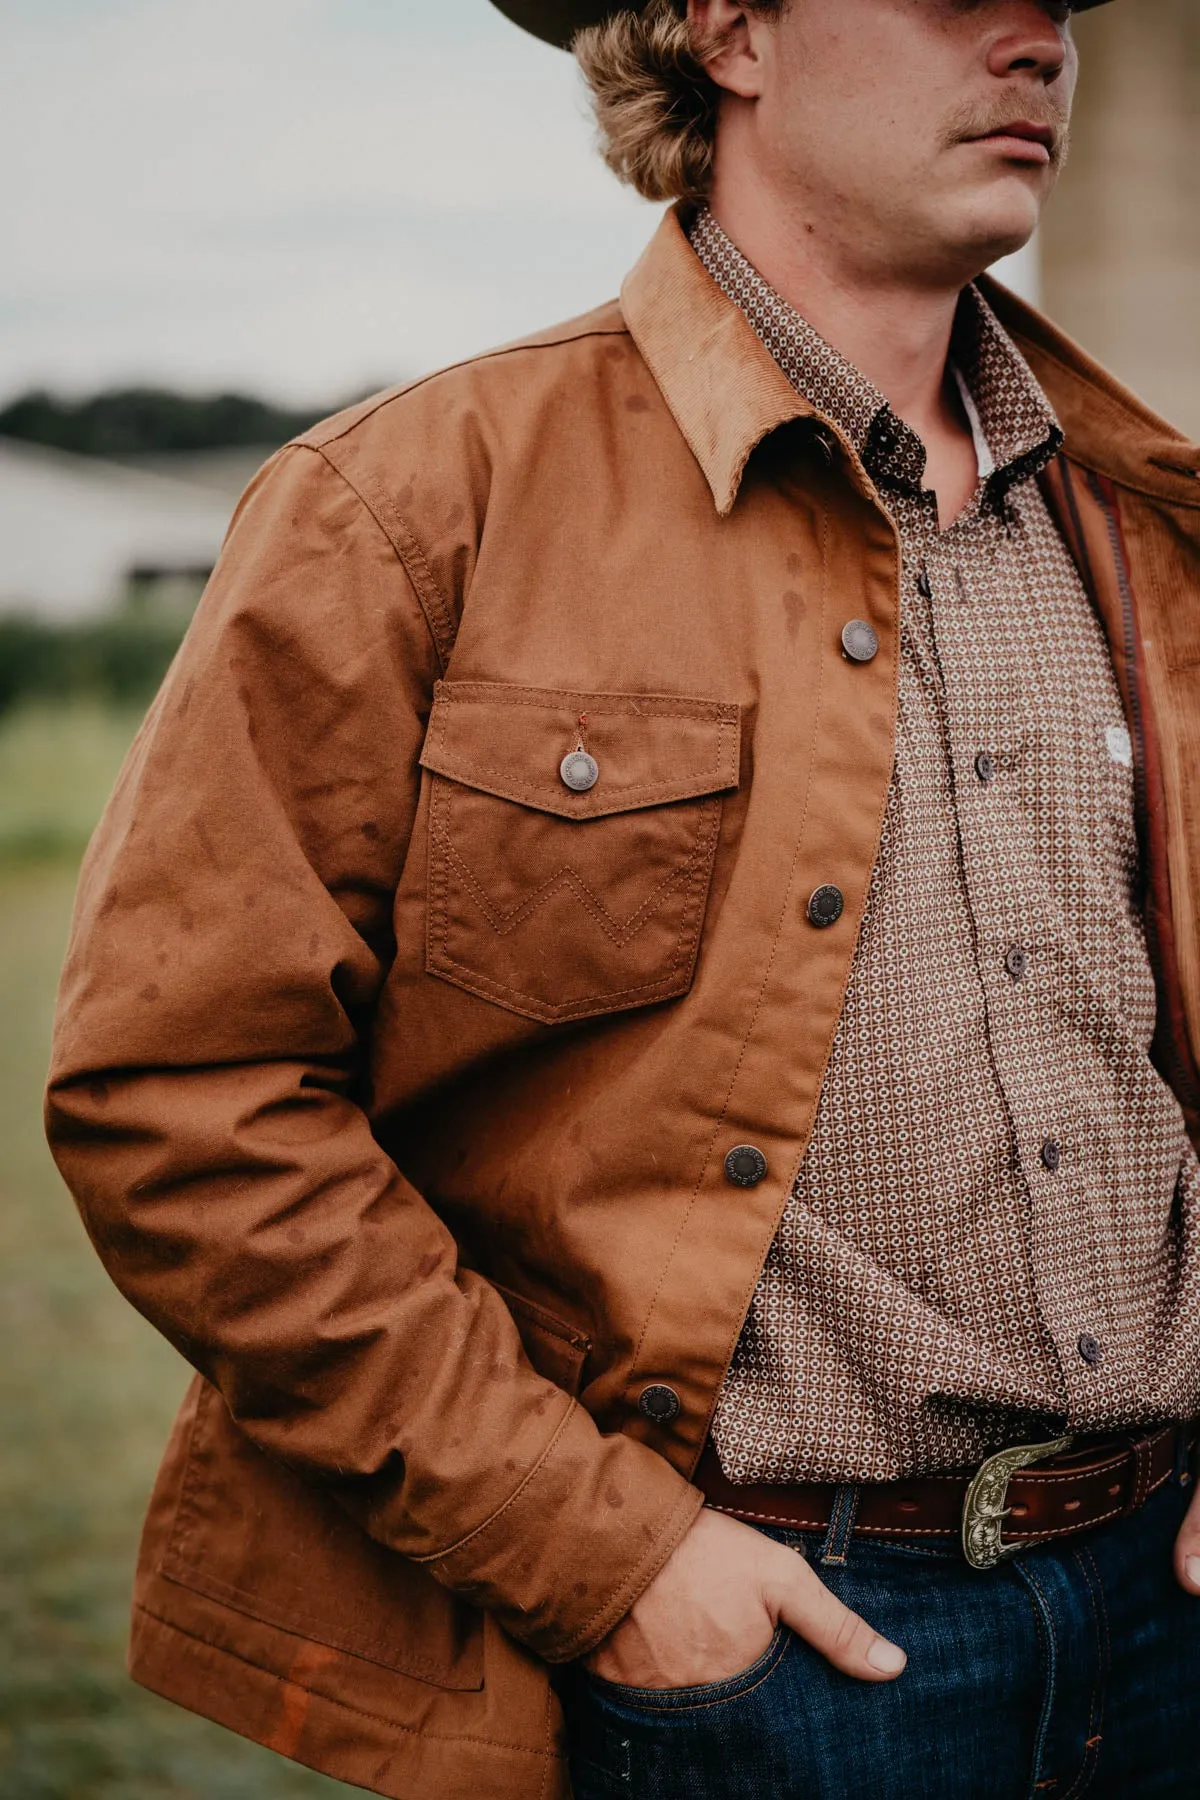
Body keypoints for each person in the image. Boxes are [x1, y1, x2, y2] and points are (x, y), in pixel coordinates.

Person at [45, 0, 1200, 1794]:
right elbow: (180, 1095)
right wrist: (617, 1562)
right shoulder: (405, 507)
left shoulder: (1153, 528)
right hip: (773, 1653)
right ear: (726, 28)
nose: (1037, 35)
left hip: (1174, 1608)